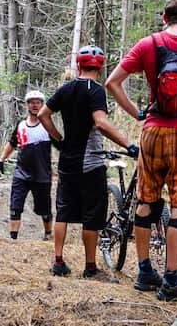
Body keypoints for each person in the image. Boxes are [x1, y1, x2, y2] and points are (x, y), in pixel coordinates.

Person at [104, 0, 177, 302]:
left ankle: (144, 272)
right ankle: (172, 280)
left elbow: (113, 82)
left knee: (146, 200)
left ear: (164, 17)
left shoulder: (147, 44)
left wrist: (137, 112)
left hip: (151, 131)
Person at [38, 45, 138, 280]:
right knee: (91, 216)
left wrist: (58, 138)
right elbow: (101, 123)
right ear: (100, 67)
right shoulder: (96, 91)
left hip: (67, 161)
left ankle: (59, 262)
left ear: (79, 65)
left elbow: (43, 114)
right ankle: (90, 267)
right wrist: (128, 145)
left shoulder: (65, 89)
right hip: (90, 163)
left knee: (63, 211)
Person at [0, 89, 54, 241]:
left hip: (42, 174)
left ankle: (48, 234)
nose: (35, 105)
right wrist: (1, 161)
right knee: (15, 205)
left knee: (44, 209)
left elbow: (60, 143)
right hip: (21, 173)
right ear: (27, 105)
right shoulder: (21, 125)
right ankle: (13, 238)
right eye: (32, 103)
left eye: (38, 102)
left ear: (42, 105)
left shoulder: (47, 125)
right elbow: (12, 143)